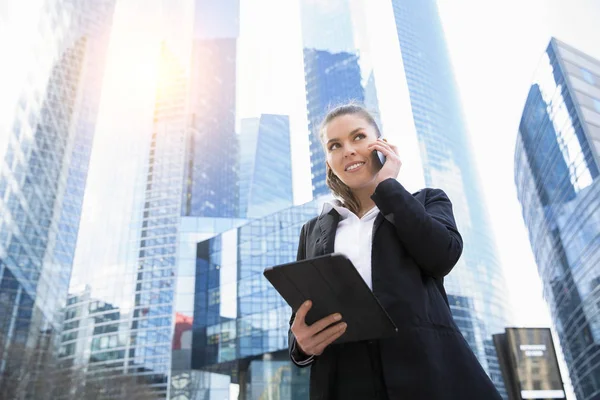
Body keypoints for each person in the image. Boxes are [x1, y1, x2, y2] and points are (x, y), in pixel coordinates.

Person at [288, 104, 503, 400]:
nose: (348, 150)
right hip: (344, 382)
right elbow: (302, 312)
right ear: (328, 161)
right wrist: (300, 345)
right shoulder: (312, 231)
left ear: (383, 146)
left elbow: (442, 257)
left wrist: (387, 186)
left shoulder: (426, 202)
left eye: (359, 137)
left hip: (427, 375)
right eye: (335, 145)